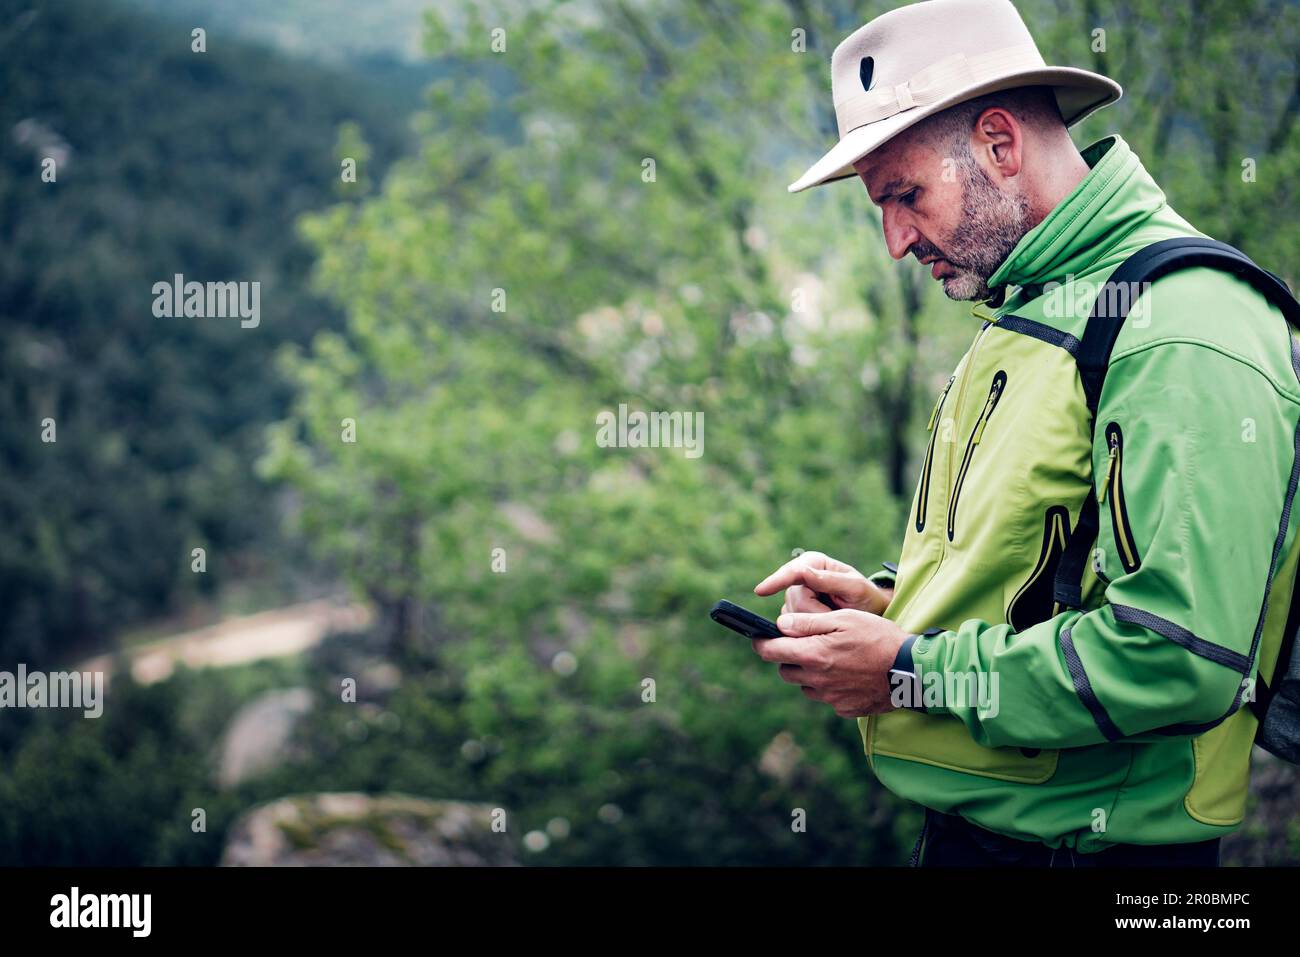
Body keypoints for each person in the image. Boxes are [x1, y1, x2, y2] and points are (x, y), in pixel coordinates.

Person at [752, 0, 1300, 866]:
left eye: (905, 195)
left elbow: (1175, 658)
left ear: (1001, 145)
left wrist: (909, 669)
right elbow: (1050, 579)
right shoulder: (1041, 304)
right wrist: (893, 611)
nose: (894, 240)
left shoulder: (1185, 320)